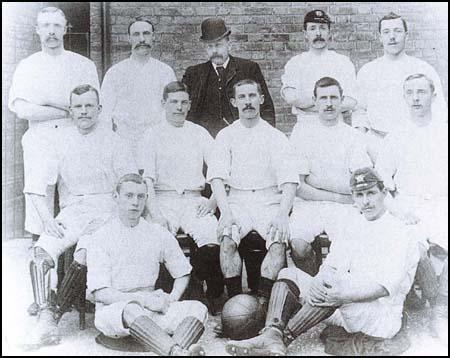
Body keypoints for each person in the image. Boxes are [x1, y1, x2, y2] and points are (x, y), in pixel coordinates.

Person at [226, 167, 421, 356]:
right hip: (346, 307)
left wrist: (341, 295)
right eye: (359, 195)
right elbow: (332, 264)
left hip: (379, 315)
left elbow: (385, 288)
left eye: (371, 193)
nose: (366, 202)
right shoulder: (353, 224)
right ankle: (272, 334)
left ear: (384, 193)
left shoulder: (400, 232)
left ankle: (282, 340)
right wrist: (319, 281)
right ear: (353, 197)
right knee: (288, 274)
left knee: (334, 286)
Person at [25, 84, 137, 348]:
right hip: (74, 209)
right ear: (70, 111)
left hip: (108, 210)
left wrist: (118, 215)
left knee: (83, 253)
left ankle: (53, 318)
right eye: (78, 106)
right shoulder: (59, 140)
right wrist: (47, 220)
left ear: (99, 109)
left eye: (89, 106)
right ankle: (44, 314)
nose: (84, 111)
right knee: (40, 253)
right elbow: (35, 186)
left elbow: (130, 184)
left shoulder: (114, 140)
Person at [87, 173, 208, 356]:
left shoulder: (156, 232)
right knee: (130, 309)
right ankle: (176, 351)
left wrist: (172, 298)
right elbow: (100, 293)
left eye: (140, 196)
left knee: (198, 308)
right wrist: (144, 301)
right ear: (116, 197)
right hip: (116, 309)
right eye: (129, 195)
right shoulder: (100, 237)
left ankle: (173, 350)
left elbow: (182, 271)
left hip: (153, 306)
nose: (135, 202)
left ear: (146, 199)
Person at [8, 6, 100, 239]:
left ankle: (74, 267)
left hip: (75, 138)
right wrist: (67, 109)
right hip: (40, 139)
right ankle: (41, 261)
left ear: (65, 29)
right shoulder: (27, 66)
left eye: (56, 26)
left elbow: (92, 107)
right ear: (37, 30)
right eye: (46, 26)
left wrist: (45, 102)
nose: (51, 31)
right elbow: (22, 109)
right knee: (40, 206)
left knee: (78, 200)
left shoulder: (83, 65)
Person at [207, 79, 298, 309]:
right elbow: (217, 177)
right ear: (234, 102)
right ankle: (235, 305)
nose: (247, 102)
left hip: (269, 200)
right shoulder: (226, 136)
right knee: (227, 239)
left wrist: (282, 214)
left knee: (278, 242)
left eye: (252, 96)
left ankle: (263, 305)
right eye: (242, 97)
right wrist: (225, 212)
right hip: (237, 199)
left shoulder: (275, 136)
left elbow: (289, 180)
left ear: (261, 99)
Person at [137, 81, 224, 315]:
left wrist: (213, 201)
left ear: (189, 105)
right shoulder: (151, 135)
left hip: (194, 200)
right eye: (173, 102)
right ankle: (168, 292)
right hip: (162, 200)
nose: (179, 107)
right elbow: (147, 180)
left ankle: (196, 284)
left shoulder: (199, 133)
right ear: (163, 104)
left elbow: (220, 169)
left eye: (184, 102)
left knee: (211, 237)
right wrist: (155, 213)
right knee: (158, 237)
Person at [376, 73, 448, 343]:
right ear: (404, 97)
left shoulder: (444, 131)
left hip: (442, 202)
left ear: (433, 95)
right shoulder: (396, 135)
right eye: (411, 93)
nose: (416, 98)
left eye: (422, 92)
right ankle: (430, 300)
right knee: (411, 247)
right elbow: (381, 183)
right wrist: (398, 210)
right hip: (409, 204)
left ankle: (440, 308)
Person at [288, 77, 372, 273]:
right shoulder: (301, 134)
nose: (328, 103)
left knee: (348, 246)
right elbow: (300, 187)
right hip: (310, 205)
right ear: (315, 101)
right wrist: (339, 194)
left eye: (334, 97)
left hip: (343, 208)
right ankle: (310, 284)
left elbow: (359, 183)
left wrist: (318, 182)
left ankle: (335, 290)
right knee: (299, 246)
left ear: (341, 100)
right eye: (323, 98)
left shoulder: (353, 136)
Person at [355, 12, 447, 162]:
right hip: (377, 144)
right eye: (386, 32)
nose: (392, 36)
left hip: (414, 145)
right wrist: (362, 142)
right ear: (380, 37)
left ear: (406, 35)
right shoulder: (367, 71)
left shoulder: (423, 68)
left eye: (397, 31)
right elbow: (359, 111)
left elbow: (439, 109)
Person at [183, 18, 275, 138]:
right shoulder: (193, 74)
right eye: (210, 46)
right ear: (205, 48)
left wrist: (264, 138)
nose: (215, 50)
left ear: (228, 44)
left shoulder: (248, 69)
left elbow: (266, 109)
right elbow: (183, 111)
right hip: (205, 142)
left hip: (241, 139)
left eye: (218, 45)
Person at [100, 16, 176, 155]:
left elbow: (171, 110)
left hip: (157, 143)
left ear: (153, 37)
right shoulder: (115, 73)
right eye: (136, 34)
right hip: (124, 144)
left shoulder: (165, 72)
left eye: (146, 33)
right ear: (129, 38)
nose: (142, 39)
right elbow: (105, 114)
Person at [281, 10, 358, 126]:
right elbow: (291, 97)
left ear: (329, 32)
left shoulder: (343, 62)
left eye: (322, 28)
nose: (318, 33)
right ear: (305, 34)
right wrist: (331, 103)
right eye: (312, 28)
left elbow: (351, 101)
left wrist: (307, 104)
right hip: (306, 124)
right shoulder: (295, 63)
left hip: (336, 125)